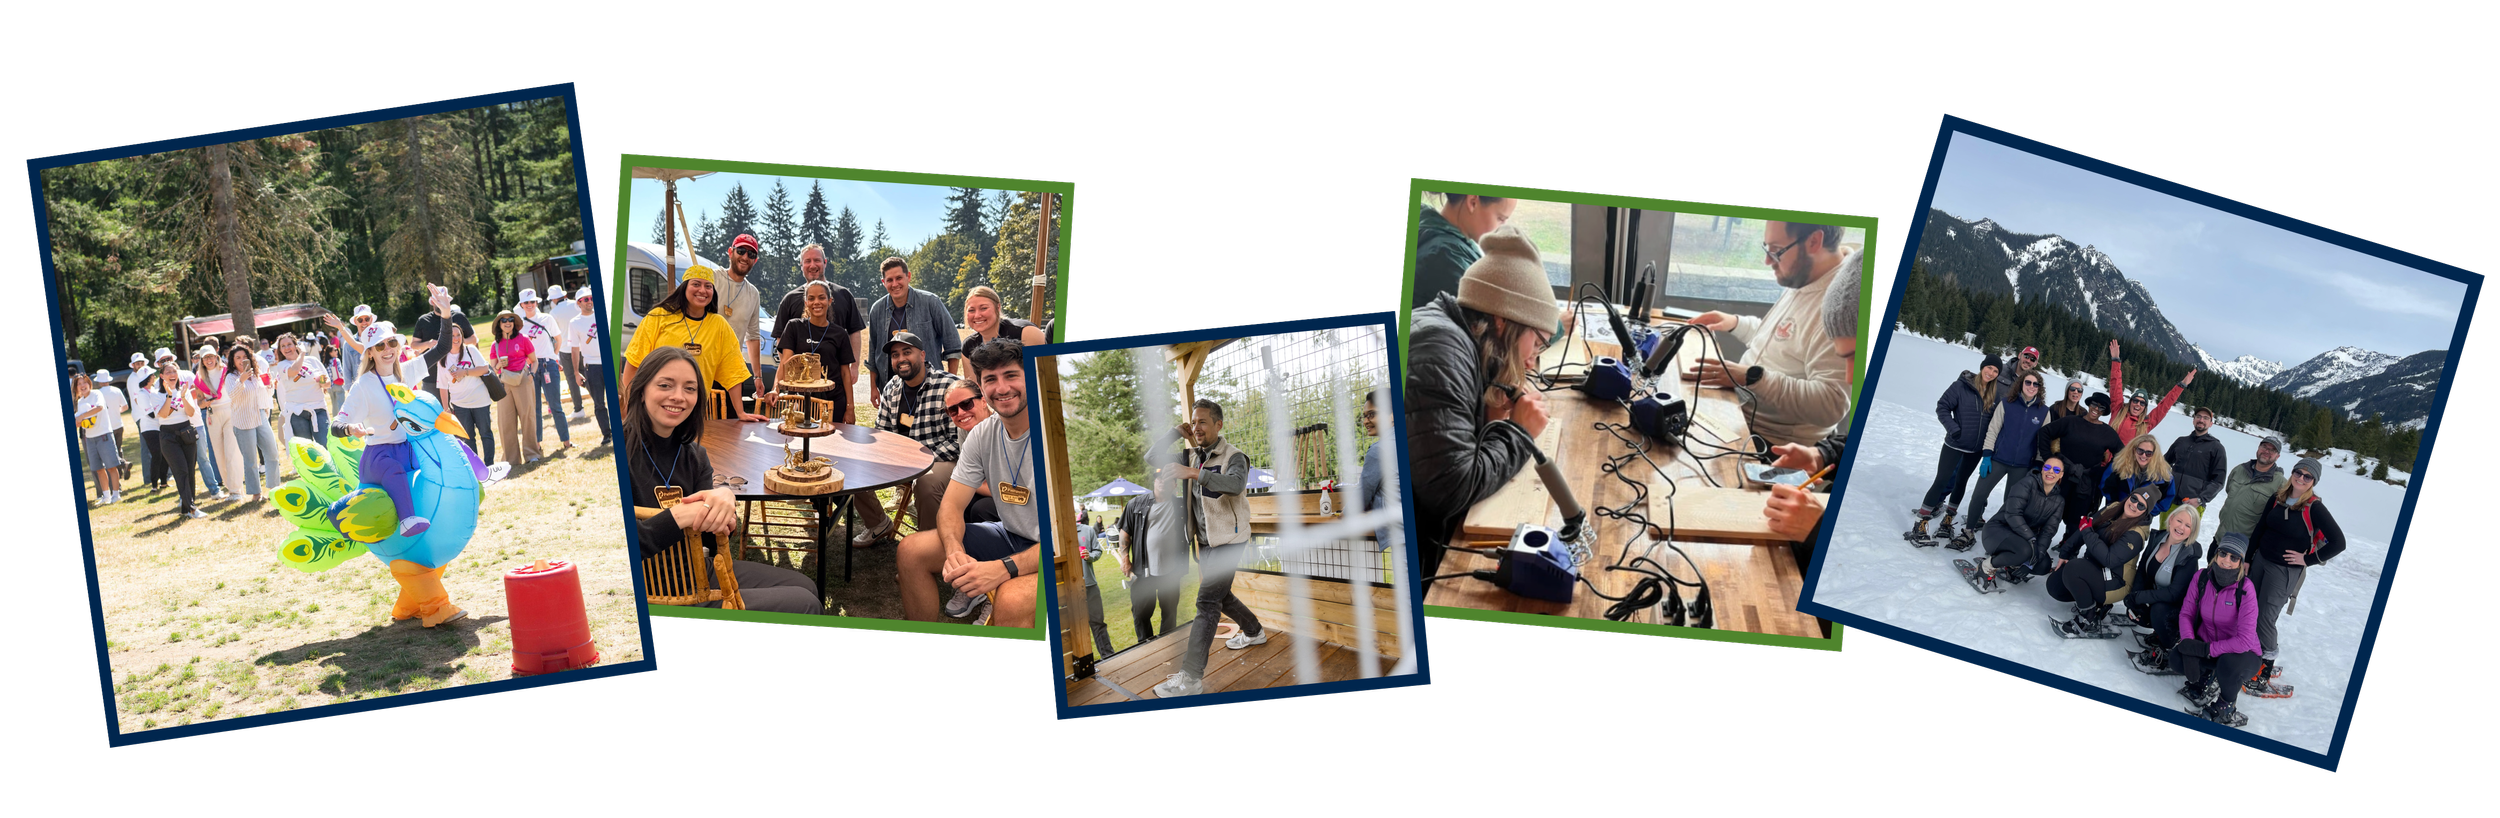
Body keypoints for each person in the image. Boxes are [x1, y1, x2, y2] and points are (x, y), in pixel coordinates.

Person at [1406, 226, 1560, 576]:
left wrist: (1486, 416)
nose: (1534, 360)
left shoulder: (1453, 336)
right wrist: (1519, 433)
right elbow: (1452, 488)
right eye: (1537, 342)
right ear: (1503, 321)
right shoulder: (1441, 353)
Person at [624, 346, 825, 614]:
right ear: (641, 390)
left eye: (690, 388)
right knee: (806, 604)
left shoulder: (694, 456)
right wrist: (679, 516)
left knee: (806, 586)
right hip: (657, 594)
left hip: (698, 572)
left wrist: (723, 503)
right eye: (665, 385)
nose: (678, 397)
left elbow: (710, 541)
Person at [895, 338, 1041, 627]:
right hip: (1011, 534)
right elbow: (950, 506)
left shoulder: (1053, 433)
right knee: (911, 551)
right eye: (990, 379)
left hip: (1053, 549)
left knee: (1011, 598)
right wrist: (954, 551)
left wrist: (1004, 568)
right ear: (982, 387)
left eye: (1011, 375)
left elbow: (1068, 538)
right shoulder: (982, 434)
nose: (1001, 388)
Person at [1684, 220, 1856, 447]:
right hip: (1739, 412)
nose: (1768, 261)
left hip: (1773, 443)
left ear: (1814, 241)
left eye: (1776, 251)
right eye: (1767, 249)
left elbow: (1832, 405)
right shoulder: (1806, 275)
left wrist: (1752, 378)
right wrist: (1736, 323)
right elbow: (1784, 341)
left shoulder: (1842, 307)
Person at [1150, 397, 1267, 698]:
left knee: (1206, 603)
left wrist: (1194, 474)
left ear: (1219, 424)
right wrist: (1176, 432)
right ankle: (1254, 631)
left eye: (1203, 421)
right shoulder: (1190, 454)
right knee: (1221, 595)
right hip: (1205, 543)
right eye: (1193, 421)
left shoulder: (1234, 456)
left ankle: (1190, 679)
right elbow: (1152, 457)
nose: (1197, 427)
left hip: (1230, 541)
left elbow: (1236, 485)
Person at [852, 332, 967, 548]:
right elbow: (882, 432)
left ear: (922, 355)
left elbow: (958, 440)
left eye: (907, 352)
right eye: (895, 355)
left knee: (926, 482)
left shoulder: (948, 386)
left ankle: (928, 549)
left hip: (942, 460)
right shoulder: (892, 388)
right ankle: (878, 524)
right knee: (854, 463)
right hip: (902, 458)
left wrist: (921, 460)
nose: (901, 359)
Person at [2242, 456, 2346, 695]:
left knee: (2265, 618)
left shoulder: (2315, 508)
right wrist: (2248, 559)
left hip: (2285, 571)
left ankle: (2264, 671)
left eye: (2307, 476)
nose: (2301, 478)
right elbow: (2260, 528)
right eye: (2298, 472)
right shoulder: (2278, 498)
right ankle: (2252, 654)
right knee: (2249, 609)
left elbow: (2339, 542)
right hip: (2260, 561)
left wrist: (2307, 559)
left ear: (2313, 481)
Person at [621, 265, 763, 422]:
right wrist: (631, 406)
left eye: (708, 286)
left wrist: (740, 412)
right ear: (683, 288)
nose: (702, 290)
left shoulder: (719, 325)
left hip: (692, 412)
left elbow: (734, 372)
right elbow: (634, 363)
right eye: (696, 284)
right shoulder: (659, 316)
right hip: (654, 409)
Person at [332, 328, 434, 538]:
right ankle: (407, 521)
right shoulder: (363, 385)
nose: (387, 349)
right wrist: (351, 428)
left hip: (407, 448)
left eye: (392, 343)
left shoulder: (407, 371)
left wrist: (444, 313)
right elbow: (336, 426)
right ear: (370, 353)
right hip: (378, 457)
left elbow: (441, 348)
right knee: (393, 470)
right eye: (380, 345)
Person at [2046, 484, 2163, 637]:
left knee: (2074, 569)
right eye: (2134, 498)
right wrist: (2065, 552)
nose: (2134, 505)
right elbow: (2086, 525)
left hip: (2116, 581)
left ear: (2145, 512)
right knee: (2055, 585)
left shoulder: (2136, 534)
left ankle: (2088, 617)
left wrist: (2088, 532)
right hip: (2095, 568)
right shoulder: (2114, 507)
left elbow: (2109, 559)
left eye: (2141, 505)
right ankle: (2097, 605)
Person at [2171, 532, 2262, 728]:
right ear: (2216, 554)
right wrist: (2188, 644)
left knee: (2228, 665)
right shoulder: (2202, 577)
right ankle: (2205, 677)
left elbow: (2244, 640)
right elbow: (2186, 613)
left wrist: (2204, 650)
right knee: (2176, 658)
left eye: (2234, 557)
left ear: (2241, 561)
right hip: (2207, 644)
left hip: (2242, 654)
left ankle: (2226, 707)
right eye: (2223, 553)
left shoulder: (2246, 589)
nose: (2226, 561)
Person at [1954, 370, 2053, 549]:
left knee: (2012, 503)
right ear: (2021, 384)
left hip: (2023, 466)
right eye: (2028, 383)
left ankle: (2002, 536)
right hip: (1998, 460)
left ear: (2040, 388)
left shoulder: (2044, 411)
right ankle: (1968, 531)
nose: (2031, 387)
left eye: (2035, 384)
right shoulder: (2007, 403)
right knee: (1979, 495)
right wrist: (1986, 456)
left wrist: (2038, 464)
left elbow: (2042, 441)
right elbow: (1993, 429)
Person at [1909, 353, 2001, 545]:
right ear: (1982, 366)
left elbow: (1996, 422)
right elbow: (1942, 407)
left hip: (1975, 450)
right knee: (1942, 480)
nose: (1991, 373)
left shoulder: (1995, 395)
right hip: (1955, 444)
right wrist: (1954, 429)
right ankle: (1920, 523)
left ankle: (1948, 520)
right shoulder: (1961, 386)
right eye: (1989, 368)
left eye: (1995, 371)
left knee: (1961, 482)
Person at [774, 244, 864, 424]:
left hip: (833, 390)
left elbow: (854, 331)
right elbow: (783, 347)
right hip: (800, 392)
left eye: (817, 260)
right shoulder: (790, 300)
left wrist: (855, 366)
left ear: (825, 262)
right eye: (807, 261)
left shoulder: (843, 295)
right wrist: (784, 382)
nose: (812, 265)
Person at [760, 280, 857, 427]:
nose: (816, 302)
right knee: (802, 442)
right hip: (802, 400)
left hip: (833, 401)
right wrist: (775, 389)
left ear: (830, 301)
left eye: (821, 297)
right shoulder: (794, 327)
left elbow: (845, 373)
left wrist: (850, 408)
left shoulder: (839, 333)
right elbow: (785, 363)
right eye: (811, 298)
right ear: (805, 302)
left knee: (831, 443)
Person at [2034, 392, 2124, 546]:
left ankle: (2068, 550)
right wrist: (2049, 458)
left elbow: (2122, 455)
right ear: (2089, 404)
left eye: (2101, 408)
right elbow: (2044, 432)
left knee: (2077, 519)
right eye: (2094, 404)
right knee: (2048, 512)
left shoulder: (2108, 433)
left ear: (2104, 412)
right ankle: (2036, 543)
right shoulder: (2071, 421)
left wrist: (2103, 472)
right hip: (2061, 476)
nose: (2096, 409)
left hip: (2085, 481)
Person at [865, 257, 964, 396]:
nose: (895, 284)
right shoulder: (877, 310)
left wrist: (949, 385)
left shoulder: (931, 302)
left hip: (930, 387)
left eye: (899, 278)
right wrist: (873, 387)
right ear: (883, 282)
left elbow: (953, 345)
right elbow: (873, 352)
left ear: (908, 276)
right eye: (889, 280)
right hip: (892, 389)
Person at [2125, 509, 2205, 671]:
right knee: (2140, 610)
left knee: (2158, 610)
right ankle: (2159, 632)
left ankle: (2170, 643)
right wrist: (2135, 597)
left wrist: (2141, 597)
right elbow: (2142, 570)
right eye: (2179, 521)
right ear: (2171, 520)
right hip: (2159, 598)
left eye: (2188, 525)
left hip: (2179, 609)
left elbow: (2174, 594)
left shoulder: (2188, 555)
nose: (2181, 527)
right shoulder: (2158, 538)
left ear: (2192, 531)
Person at [1972, 455, 2067, 587]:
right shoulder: (2027, 483)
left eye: (2056, 470)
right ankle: (1986, 566)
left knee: (2043, 565)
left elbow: (2048, 531)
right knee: (2024, 551)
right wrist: (2031, 539)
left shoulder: (2058, 501)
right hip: (1998, 531)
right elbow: (2013, 514)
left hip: (2023, 539)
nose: (2051, 471)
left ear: (2061, 475)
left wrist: (2031, 561)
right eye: (2047, 467)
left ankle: (2011, 565)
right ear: (2042, 470)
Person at [1410, 192, 1518, 305]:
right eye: (1500, 218)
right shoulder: (1449, 259)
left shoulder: (1425, 219)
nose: (1503, 227)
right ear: (1473, 202)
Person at [137, 358, 206, 519]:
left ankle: (187, 507)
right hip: (168, 436)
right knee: (180, 470)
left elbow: (190, 413)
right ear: (161, 376)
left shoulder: (184, 390)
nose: (172, 374)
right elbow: (162, 414)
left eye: (174, 371)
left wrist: (182, 396)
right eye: (167, 372)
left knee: (189, 471)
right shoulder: (155, 394)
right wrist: (169, 395)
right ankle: (192, 509)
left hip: (186, 432)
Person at [1118, 470, 1181, 642]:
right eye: (1158, 477)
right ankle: (1145, 646)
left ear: (1174, 485)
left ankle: (1167, 645)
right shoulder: (1136, 504)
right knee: (1140, 612)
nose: (1161, 480)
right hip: (1142, 571)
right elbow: (1124, 533)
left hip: (1171, 571)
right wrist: (1125, 559)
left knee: (1170, 611)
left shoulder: (1181, 505)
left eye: (1167, 478)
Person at [713, 236, 767, 418]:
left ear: (755, 260)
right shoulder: (712, 279)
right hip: (704, 365)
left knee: (730, 428)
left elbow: (753, 336)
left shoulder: (753, 294)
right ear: (731, 252)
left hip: (731, 371)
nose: (745, 257)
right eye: (741, 251)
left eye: (751, 254)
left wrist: (757, 377)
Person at [224, 345, 285, 503]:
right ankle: (255, 493)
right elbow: (233, 396)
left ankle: (274, 488)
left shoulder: (256, 374)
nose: (242, 360)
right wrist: (241, 380)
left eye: (244, 356)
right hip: (243, 421)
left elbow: (264, 394)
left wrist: (270, 386)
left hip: (260, 416)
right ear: (232, 361)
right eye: (238, 357)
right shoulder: (231, 377)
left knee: (272, 452)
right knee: (250, 460)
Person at [2102, 338, 2194, 443]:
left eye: (2142, 403)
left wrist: (2181, 385)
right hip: (2104, 459)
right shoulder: (2118, 410)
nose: (2138, 405)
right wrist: (2116, 360)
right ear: (2130, 402)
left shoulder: (2147, 423)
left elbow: (2164, 406)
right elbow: (2116, 386)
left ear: (2145, 407)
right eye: (2135, 401)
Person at [435, 319, 498, 467]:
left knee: (486, 433)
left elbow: (484, 369)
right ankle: (476, 468)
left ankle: (489, 465)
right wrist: (446, 408)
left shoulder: (471, 350)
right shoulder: (442, 359)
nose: (456, 338)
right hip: (460, 404)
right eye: (452, 335)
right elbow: (442, 386)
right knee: (468, 438)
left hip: (480, 400)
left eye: (458, 335)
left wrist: (466, 372)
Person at [516, 290, 573, 453]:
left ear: (537, 303)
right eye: (526, 302)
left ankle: (566, 441)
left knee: (555, 405)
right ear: (521, 305)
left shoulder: (547, 318)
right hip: (530, 367)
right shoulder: (519, 324)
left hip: (549, 365)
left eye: (532, 301)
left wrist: (553, 356)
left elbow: (558, 339)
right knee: (534, 408)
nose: (530, 305)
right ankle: (537, 444)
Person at [490, 310, 544, 466]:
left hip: (523, 380)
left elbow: (534, 361)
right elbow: (493, 369)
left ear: (514, 323)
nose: (508, 322)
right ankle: (511, 460)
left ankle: (532, 454)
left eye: (510, 320)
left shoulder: (524, 339)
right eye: (504, 320)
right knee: (506, 421)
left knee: (528, 418)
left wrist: (531, 375)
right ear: (499, 325)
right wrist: (499, 365)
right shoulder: (495, 344)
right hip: (504, 383)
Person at [2166, 406, 2230, 527]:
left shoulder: (2216, 448)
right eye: (2198, 416)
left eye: (2206, 418)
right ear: (2193, 420)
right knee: (2162, 537)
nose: (2201, 420)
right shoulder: (2181, 441)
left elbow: (2218, 481)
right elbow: (2163, 463)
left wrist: (2201, 499)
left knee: (2182, 540)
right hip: (2170, 501)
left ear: (2211, 423)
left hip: (2192, 505)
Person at [191, 345, 237, 502]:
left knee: (232, 452)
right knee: (218, 454)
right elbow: (200, 403)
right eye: (205, 358)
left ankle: (237, 489)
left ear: (216, 356)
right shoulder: (199, 378)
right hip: (212, 414)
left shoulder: (227, 370)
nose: (208, 360)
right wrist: (206, 401)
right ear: (202, 360)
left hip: (230, 411)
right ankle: (230, 488)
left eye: (211, 356)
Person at [1356, 389, 1401, 552]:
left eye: (1372, 414)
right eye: (1364, 416)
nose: (1365, 421)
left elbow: (1362, 495)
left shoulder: (1380, 449)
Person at [2218, 435, 2288, 538]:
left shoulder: (2281, 484)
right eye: (2264, 447)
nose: (2267, 451)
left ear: (2277, 456)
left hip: (2244, 545)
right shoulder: (2240, 470)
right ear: (2258, 448)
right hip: (2220, 536)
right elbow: (2229, 490)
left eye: (2272, 450)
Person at [72, 372, 125, 505]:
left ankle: (116, 495)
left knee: (111, 466)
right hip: (89, 438)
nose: (82, 385)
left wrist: (81, 416)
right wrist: (78, 419)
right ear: (76, 388)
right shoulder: (80, 401)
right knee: (98, 469)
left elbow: (99, 407)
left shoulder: (96, 394)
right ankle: (106, 496)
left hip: (104, 435)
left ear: (89, 383)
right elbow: (78, 420)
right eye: (79, 384)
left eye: (84, 382)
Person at [567, 290, 612, 446]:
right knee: (599, 403)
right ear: (578, 303)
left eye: (592, 298)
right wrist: (576, 372)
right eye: (585, 299)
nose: (589, 301)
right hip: (592, 366)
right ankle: (607, 434)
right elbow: (574, 349)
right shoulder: (574, 323)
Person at [2100, 432, 2178, 517]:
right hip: (2116, 512)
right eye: (2140, 451)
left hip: (2142, 517)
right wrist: (2118, 506)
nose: (2144, 455)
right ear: (2134, 450)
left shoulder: (2164, 476)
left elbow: (2166, 500)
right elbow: (2105, 486)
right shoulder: (2119, 466)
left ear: (2154, 454)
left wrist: (2144, 510)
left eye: (2148, 453)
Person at [274, 333, 331, 448]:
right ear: (280, 350)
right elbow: (294, 371)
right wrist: (303, 354)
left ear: (296, 345)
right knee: (306, 450)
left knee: (324, 445)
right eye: (283, 346)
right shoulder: (282, 365)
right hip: (297, 412)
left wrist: (321, 381)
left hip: (318, 409)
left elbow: (327, 383)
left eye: (289, 344)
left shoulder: (313, 361)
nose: (287, 348)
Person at [409, 284, 460, 402]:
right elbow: (413, 346)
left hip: (456, 373)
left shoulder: (458, 317)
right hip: (431, 377)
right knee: (434, 415)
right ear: (432, 301)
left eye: (444, 299)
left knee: (459, 414)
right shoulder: (423, 320)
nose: (440, 303)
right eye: (437, 300)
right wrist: (428, 344)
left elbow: (472, 340)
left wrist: (456, 342)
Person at [962, 285, 1046, 355]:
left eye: (984, 308)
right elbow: (972, 376)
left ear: (998, 307)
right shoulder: (969, 346)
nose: (977, 315)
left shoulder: (1026, 333)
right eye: (971, 310)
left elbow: (1045, 371)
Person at [546, 284, 587, 419]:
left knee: (571, 378)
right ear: (564, 295)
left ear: (553, 300)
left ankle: (578, 408)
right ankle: (599, 398)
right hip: (582, 346)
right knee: (586, 373)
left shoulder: (554, 313)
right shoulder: (576, 305)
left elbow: (554, 335)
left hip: (565, 348)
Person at [130, 352, 168, 493]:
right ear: (148, 378)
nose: (155, 376)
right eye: (152, 375)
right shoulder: (141, 394)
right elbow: (151, 414)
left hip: (158, 426)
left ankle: (163, 482)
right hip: (149, 428)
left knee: (164, 454)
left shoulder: (153, 390)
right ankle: (154, 484)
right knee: (156, 454)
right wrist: (165, 414)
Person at [1076, 518, 1113, 656]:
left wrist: (1089, 556)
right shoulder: (1051, 534)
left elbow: (1097, 551)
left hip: (1090, 586)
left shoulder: (1087, 530)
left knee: (1098, 623)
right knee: (1074, 628)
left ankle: (1108, 656)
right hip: (1067, 591)